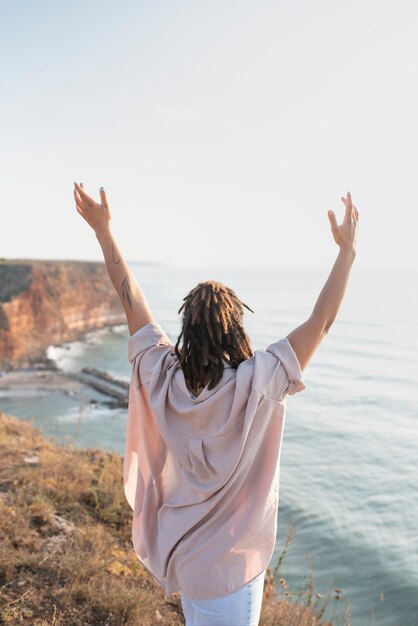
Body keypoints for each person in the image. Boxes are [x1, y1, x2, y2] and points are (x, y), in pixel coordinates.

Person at [73, 182, 359, 626]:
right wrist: (347, 252)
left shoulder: (162, 377)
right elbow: (321, 322)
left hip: (189, 559)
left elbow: (131, 298)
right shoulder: (259, 381)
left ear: (187, 326)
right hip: (231, 574)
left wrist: (103, 231)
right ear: (235, 328)